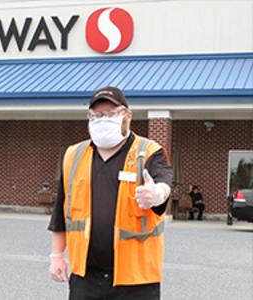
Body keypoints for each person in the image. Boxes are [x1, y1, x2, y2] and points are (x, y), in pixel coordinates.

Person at [47, 86, 173, 300]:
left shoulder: (150, 152)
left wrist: (157, 194)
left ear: (127, 116)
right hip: (86, 277)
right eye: (96, 115)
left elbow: (164, 183)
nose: (102, 119)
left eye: (110, 114)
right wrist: (56, 255)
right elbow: (62, 211)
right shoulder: (73, 156)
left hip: (136, 280)